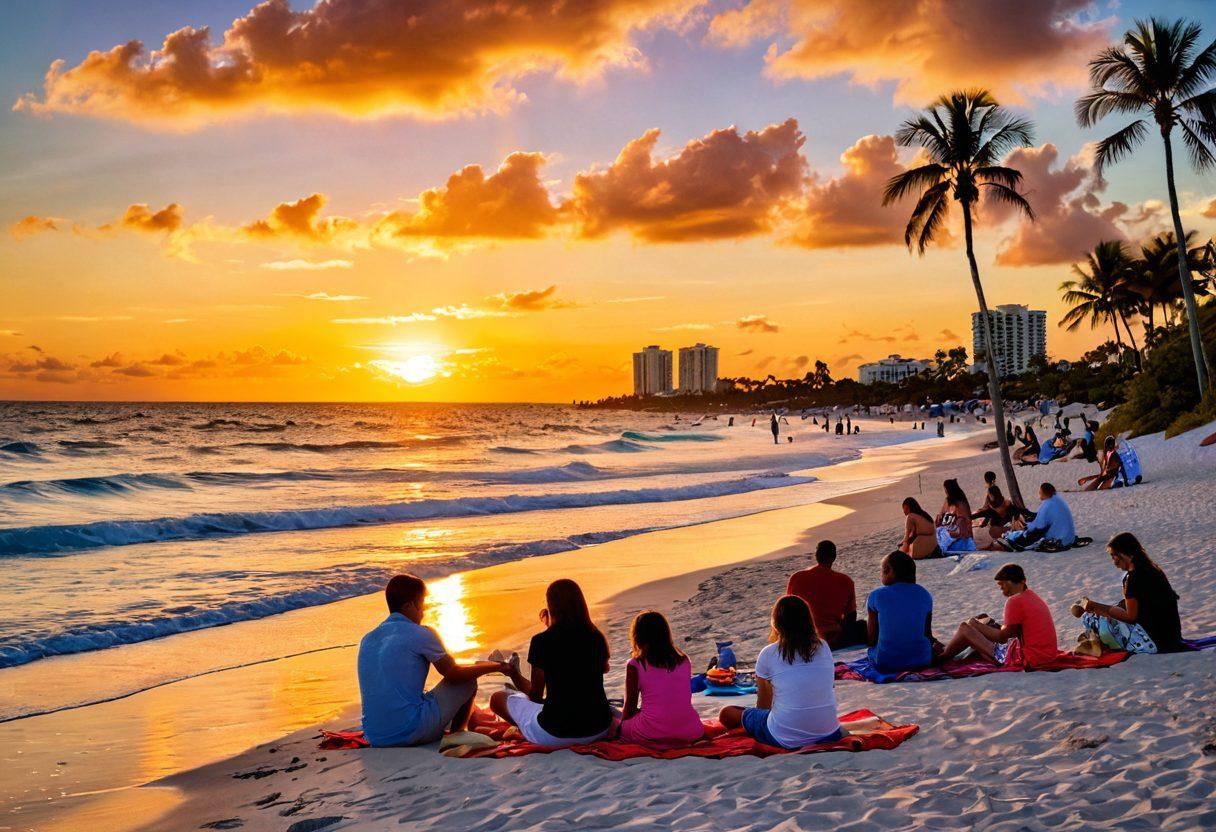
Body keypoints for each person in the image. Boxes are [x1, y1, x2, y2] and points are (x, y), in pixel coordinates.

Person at [357, 574, 512, 747]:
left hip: (375, 736)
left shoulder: (368, 638)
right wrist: (496, 667)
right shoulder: (419, 632)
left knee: (421, 696)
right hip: (408, 732)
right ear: (409, 605)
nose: (423, 611)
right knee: (467, 682)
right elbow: (455, 674)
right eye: (422, 604)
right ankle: (458, 733)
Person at [489, 579, 613, 746]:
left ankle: (523, 727)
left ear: (551, 607)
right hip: (599, 728)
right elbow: (602, 669)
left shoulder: (542, 641)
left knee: (497, 698)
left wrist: (513, 673)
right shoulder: (595, 637)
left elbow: (536, 696)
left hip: (556, 732)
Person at [718, 596, 843, 748]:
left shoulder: (768, 653)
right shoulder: (823, 646)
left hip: (785, 738)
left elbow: (763, 706)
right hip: (830, 733)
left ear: (777, 623)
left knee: (727, 713)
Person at [1072, 532, 1182, 654]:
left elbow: (1130, 617)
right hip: (1172, 637)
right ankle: (1096, 639)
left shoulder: (1134, 579)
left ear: (1125, 554)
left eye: (1114, 556)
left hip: (1155, 641)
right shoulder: (1153, 569)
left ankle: (1096, 641)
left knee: (1090, 618)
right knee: (1107, 611)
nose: (1114, 561)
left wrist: (1096, 606)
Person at [935, 564, 1059, 668]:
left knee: (965, 628)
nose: (1003, 590)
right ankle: (947, 651)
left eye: (1004, 585)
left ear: (1021, 582)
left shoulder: (1015, 601)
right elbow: (1014, 631)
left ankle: (942, 657)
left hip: (1029, 658)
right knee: (980, 623)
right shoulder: (1031, 596)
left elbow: (1002, 637)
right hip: (1046, 655)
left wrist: (974, 624)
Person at [618, 611, 705, 747]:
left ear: (638, 637)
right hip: (691, 730)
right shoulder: (683, 660)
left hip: (653, 731)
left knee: (614, 722)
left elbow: (629, 707)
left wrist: (622, 729)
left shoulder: (636, 664)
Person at [785, 540, 867, 648]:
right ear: (834, 558)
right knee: (863, 626)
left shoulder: (796, 578)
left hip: (805, 637)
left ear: (816, 556)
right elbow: (850, 616)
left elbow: (787, 610)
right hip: (833, 639)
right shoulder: (845, 581)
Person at [866, 551, 936, 672]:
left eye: (882, 570)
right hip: (922, 660)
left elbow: (872, 639)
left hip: (887, 662)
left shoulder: (876, 595)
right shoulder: (925, 594)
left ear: (888, 570)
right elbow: (927, 634)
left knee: (871, 651)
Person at [993, 482, 1075, 551]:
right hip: (1069, 538)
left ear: (1044, 493)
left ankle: (1015, 542)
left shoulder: (1047, 504)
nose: (1039, 494)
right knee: (1032, 527)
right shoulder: (1058, 500)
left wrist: (1026, 526)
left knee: (1032, 532)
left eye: (1040, 492)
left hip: (1060, 541)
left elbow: (1039, 526)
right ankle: (1013, 537)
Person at [935, 478, 976, 553]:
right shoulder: (947, 501)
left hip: (958, 533)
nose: (945, 492)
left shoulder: (961, 504)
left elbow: (965, 523)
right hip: (947, 529)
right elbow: (941, 516)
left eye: (946, 489)